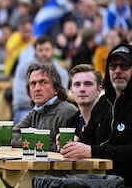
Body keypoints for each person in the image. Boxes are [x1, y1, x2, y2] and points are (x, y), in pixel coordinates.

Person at [60, 43, 132, 186]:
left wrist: (92, 151)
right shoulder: (104, 103)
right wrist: (75, 142)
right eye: (113, 66)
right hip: (101, 180)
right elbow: (89, 137)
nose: (118, 70)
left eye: (125, 66)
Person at [11, 63, 78, 152]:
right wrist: (39, 141)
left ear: (56, 89)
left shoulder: (67, 111)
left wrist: (34, 140)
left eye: (43, 82)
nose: (37, 88)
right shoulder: (36, 111)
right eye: (33, 84)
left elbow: (65, 148)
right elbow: (13, 135)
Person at [13, 36, 69, 124]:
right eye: (40, 50)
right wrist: (39, 102)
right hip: (26, 108)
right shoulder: (23, 68)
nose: (44, 53)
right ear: (35, 51)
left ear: (53, 50)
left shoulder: (61, 72)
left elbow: (62, 96)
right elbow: (19, 97)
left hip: (53, 110)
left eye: (47, 50)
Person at [56, 64, 103, 151]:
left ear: (99, 90)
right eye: (77, 84)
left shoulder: (108, 116)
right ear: (71, 90)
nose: (82, 89)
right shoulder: (71, 122)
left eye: (88, 84)